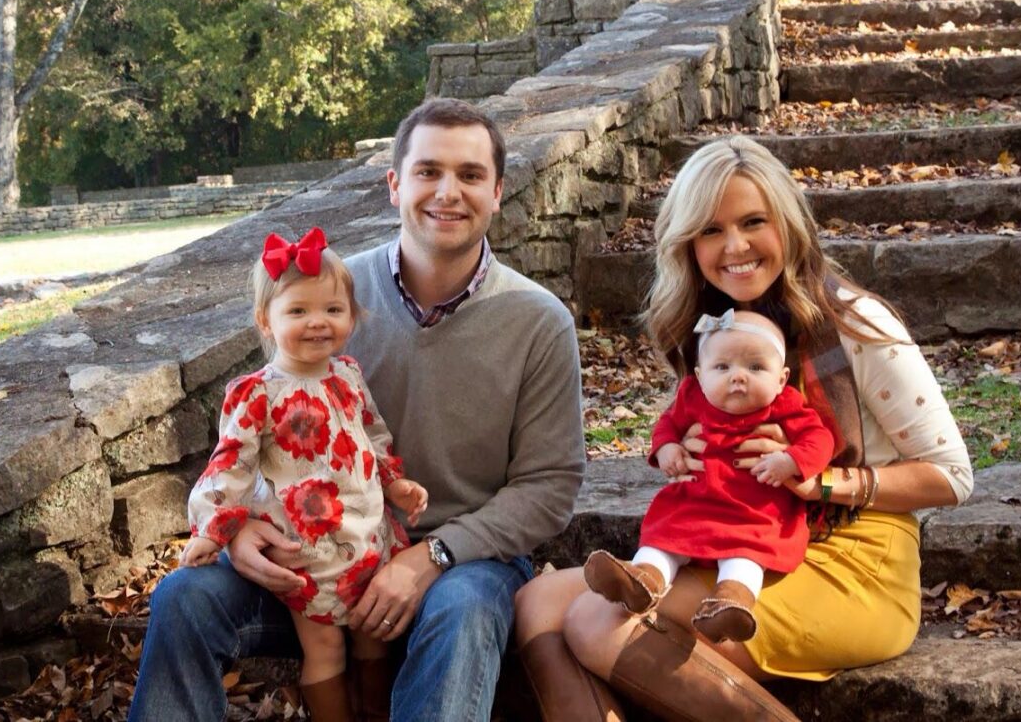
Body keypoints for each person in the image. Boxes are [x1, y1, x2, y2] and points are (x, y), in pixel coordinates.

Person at [129, 98, 586, 722]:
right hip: (315, 561)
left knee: (464, 611)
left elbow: (549, 487)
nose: (447, 191)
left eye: (470, 175)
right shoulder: (327, 295)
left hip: (462, 564)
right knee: (184, 597)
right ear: (395, 184)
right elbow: (257, 426)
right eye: (428, 171)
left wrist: (432, 555)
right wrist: (237, 529)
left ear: (498, 191)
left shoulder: (538, 322)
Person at [512, 134, 973, 722]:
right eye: (711, 229)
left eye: (754, 221)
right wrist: (683, 453)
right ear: (688, 243)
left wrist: (821, 481)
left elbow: (952, 477)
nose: (734, 246)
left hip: (852, 557)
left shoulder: (853, 323)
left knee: (597, 620)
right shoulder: (714, 329)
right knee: (538, 602)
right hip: (740, 537)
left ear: (788, 223)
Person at [181, 226, 430, 719]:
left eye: (333, 309)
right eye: (298, 311)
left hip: (366, 536)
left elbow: (372, 432)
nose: (318, 322)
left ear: (351, 317)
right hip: (306, 552)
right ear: (266, 321)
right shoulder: (258, 393)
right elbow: (230, 463)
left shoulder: (348, 375)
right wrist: (212, 528)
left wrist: (394, 481)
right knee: (325, 648)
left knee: (373, 638)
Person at [583, 309, 834, 646]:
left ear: (781, 379)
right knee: (665, 536)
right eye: (723, 367)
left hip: (754, 513)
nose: (738, 377)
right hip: (695, 504)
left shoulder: (786, 405)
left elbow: (820, 439)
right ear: (700, 376)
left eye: (755, 367)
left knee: (747, 556)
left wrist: (791, 460)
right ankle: (642, 581)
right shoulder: (692, 396)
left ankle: (729, 603)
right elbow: (667, 424)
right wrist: (667, 447)